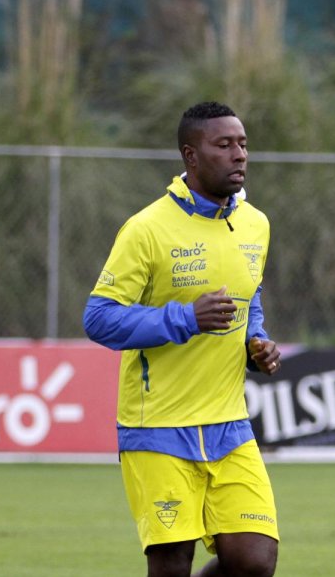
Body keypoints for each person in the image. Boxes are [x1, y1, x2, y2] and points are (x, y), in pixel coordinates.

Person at [84, 101, 283, 577]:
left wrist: (257, 342)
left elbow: (248, 300)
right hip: (157, 427)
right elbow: (99, 318)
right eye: (224, 145)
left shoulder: (256, 224)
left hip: (229, 425)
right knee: (172, 563)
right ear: (191, 156)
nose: (239, 155)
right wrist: (185, 319)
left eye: (242, 144)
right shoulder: (146, 229)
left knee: (254, 561)